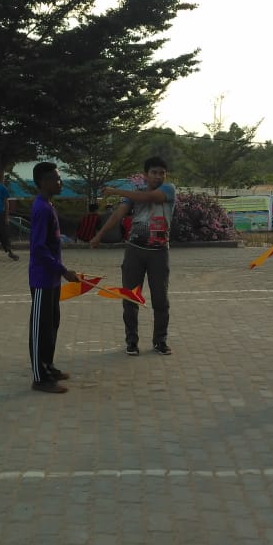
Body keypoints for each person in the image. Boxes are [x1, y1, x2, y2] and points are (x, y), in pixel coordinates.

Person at [90, 156, 176, 356]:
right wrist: (99, 235)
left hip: (159, 253)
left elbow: (148, 198)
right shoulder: (134, 193)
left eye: (162, 173)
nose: (158, 176)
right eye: (154, 172)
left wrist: (115, 191)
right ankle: (131, 341)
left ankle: (160, 341)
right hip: (134, 252)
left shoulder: (168, 190)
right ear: (145, 175)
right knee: (130, 298)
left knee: (160, 299)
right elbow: (118, 215)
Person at [28, 162, 79, 394]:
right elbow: (38, 248)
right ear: (42, 182)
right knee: (40, 329)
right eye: (56, 179)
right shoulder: (41, 208)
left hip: (52, 279)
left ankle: (48, 367)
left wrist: (59, 272)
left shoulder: (49, 205)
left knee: (51, 325)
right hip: (42, 278)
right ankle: (40, 378)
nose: (60, 182)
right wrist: (63, 270)